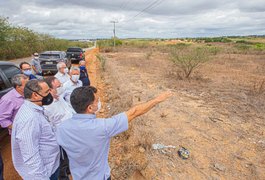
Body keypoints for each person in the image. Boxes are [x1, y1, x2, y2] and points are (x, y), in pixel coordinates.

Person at [56, 86, 173, 180]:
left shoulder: (61, 128)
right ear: (90, 108)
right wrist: (158, 99)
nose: (99, 102)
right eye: (97, 100)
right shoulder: (103, 127)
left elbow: (62, 156)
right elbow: (134, 112)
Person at [11, 79, 60, 179]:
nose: (50, 94)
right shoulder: (29, 119)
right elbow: (31, 156)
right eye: (47, 92)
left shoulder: (35, 110)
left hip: (51, 165)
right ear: (35, 95)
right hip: (46, 173)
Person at [43, 77, 75, 180]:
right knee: (62, 161)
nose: (61, 87)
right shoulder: (47, 107)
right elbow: (51, 126)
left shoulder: (59, 97)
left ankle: (70, 172)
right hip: (61, 139)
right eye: (58, 86)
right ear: (50, 90)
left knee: (70, 158)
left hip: (70, 134)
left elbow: (68, 111)